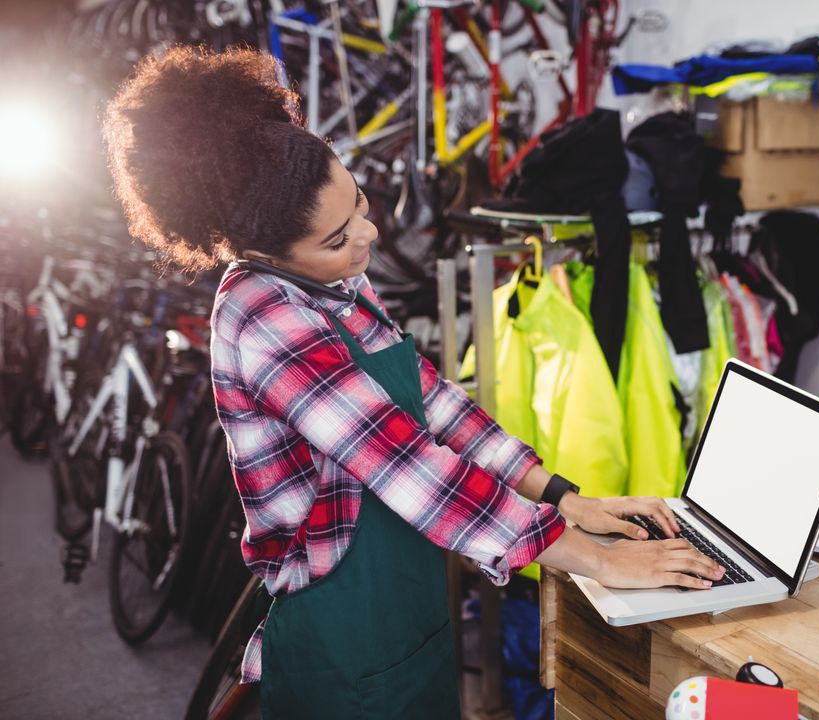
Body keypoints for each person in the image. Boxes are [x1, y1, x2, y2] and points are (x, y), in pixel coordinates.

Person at [102, 46, 723, 719]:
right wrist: (592, 561)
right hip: (343, 631)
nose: (367, 236)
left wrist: (564, 497)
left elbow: (433, 401)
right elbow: (409, 467)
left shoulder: (330, 282)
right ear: (266, 252)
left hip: (407, 607)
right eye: (339, 238)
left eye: (360, 207)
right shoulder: (264, 317)